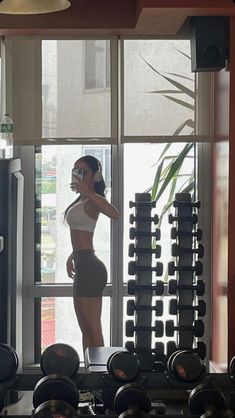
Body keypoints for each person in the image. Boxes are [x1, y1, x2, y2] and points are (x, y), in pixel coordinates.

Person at [65, 155, 119, 355]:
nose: (77, 175)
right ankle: (91, 377)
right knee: (86, 328)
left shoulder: (94, 199)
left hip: (90, 267)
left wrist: (90, 191)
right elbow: (82, 232)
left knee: (94, 329)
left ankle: (100, 378)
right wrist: (72, 255)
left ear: (95, 176)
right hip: (82, 263)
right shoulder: (82, 200)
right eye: (75, 170)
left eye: (83, 172)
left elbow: (115, 214)